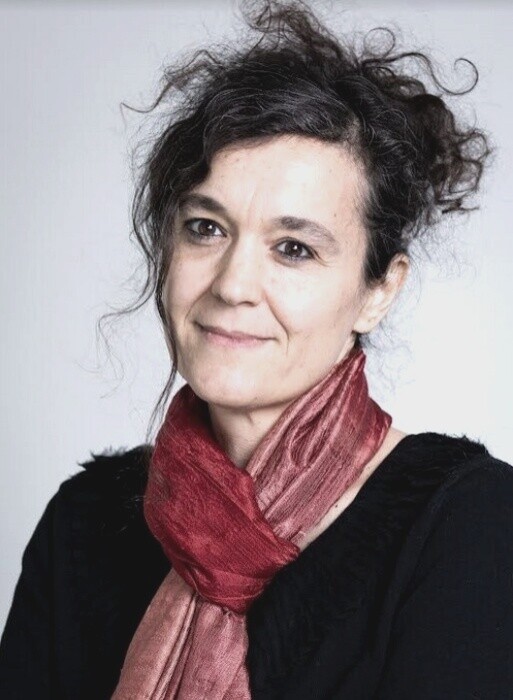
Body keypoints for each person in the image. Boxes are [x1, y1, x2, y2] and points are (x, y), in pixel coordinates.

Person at [1, 0, 512, 698]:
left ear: (378, 290)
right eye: (206, 228)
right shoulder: (83, 523)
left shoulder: (467, 525)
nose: (233, 284)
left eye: (293, 248)